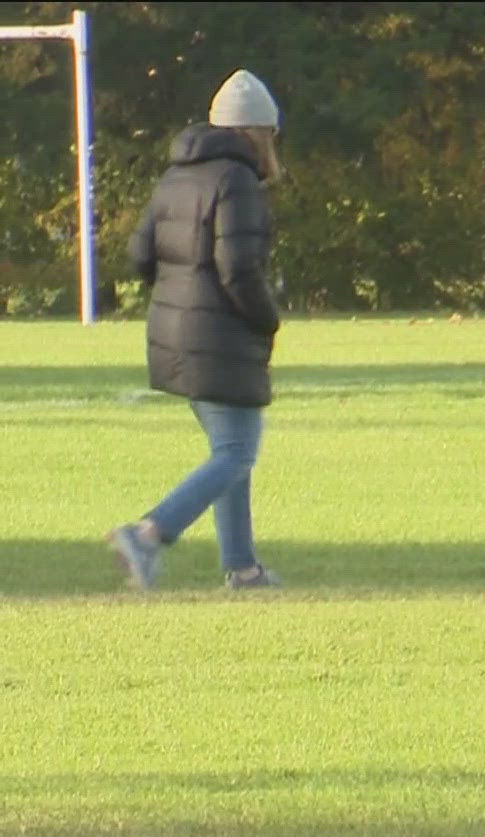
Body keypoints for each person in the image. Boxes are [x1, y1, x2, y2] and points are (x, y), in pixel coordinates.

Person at [109, 69, 285, 591]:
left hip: (175, 333)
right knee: (237, 451)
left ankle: (242, 567)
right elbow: (238, 268)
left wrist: (177, 296)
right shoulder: (237, 180)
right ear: (259, 133)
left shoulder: (176, 175)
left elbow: (140, 254)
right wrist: (267, 319)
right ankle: (148, 534)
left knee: (229, 452)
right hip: (221, 336)